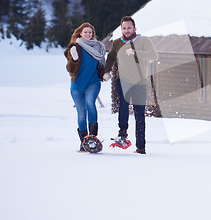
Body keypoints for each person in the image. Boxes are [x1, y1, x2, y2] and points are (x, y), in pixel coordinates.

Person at [104, 16, 158, 154]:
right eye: (124, 28)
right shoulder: (117, 43)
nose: (126, 30)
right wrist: (106, 71)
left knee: (139, 115)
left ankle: (141, 147)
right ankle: (122, 135)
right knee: (123, 104)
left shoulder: (144, 40)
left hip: (140, 83)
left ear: (134, 28)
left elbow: (154, 55)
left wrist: (136, 53)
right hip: (123, 80)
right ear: (121, 29)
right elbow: (110, 57)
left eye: (129, 28)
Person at [64, 22, 108, 152]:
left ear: (92, 34)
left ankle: (92, 138)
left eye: (90, 32)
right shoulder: (75, 47)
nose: (88, 34)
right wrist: (74, 59)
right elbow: (69, 68)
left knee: (90, 103)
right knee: (81, 114)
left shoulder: (99, 47)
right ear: (80, 34)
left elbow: (102, 65)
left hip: (93, 82)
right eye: (85, 32)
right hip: (77, 85)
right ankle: (83, 141)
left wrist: (106, 73)